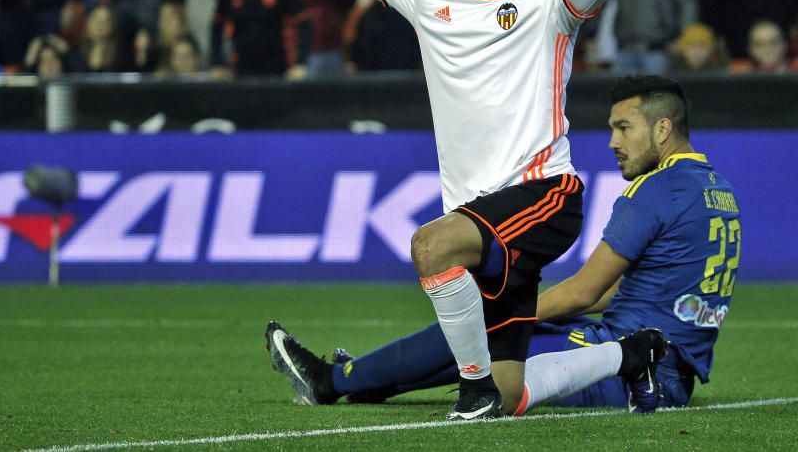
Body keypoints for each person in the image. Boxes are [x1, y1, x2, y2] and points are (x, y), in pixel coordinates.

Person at [268, 0, 645, 421]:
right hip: (476, 207)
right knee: (512, 390)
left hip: (543, 195)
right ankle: (627, 359)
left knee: (431, 248)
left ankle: (470, 394)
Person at [265, 75, 740, 415]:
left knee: (488, 328)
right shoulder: (716, 190)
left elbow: (582, 293)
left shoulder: (655, 191)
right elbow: (635, 289)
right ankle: (369, 378)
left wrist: (512, 317)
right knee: (492, 334)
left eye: (624, 128)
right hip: (669, 364)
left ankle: (336, 381)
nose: (613, 141)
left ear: (662, 129)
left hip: (637, 367)